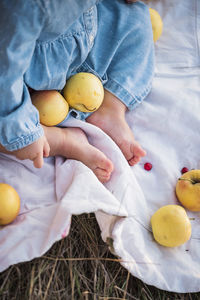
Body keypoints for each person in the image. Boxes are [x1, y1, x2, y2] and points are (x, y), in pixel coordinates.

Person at [0, 0, 154, 183]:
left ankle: (110, 107)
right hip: (21, 77)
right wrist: (19, 127)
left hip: (82, 35)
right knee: (12, 133)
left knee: (135, 16)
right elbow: (6, 66)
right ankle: (62, 140)